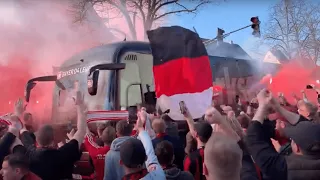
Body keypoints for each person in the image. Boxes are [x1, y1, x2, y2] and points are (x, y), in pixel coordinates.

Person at [246, 89, 320, 180]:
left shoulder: (286, 170)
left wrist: (262, 106)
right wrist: (278, 107)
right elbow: (307, 128)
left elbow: (253, 138)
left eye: (292, 139)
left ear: (296, 148)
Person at [20, 91, 87, 180]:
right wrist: (80, 105)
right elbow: (81, 130)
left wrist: (20, 114)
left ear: (36, 140)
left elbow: (23, 132)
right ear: (52, 140)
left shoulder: (30, 154)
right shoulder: (63, 153)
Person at [120, 110, 165, 180]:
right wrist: (140, 128)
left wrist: (140, 128)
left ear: (121, 162)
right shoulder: (158, 175)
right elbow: (150, 153)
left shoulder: (158, 174)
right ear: (145, 158)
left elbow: (150, 154)